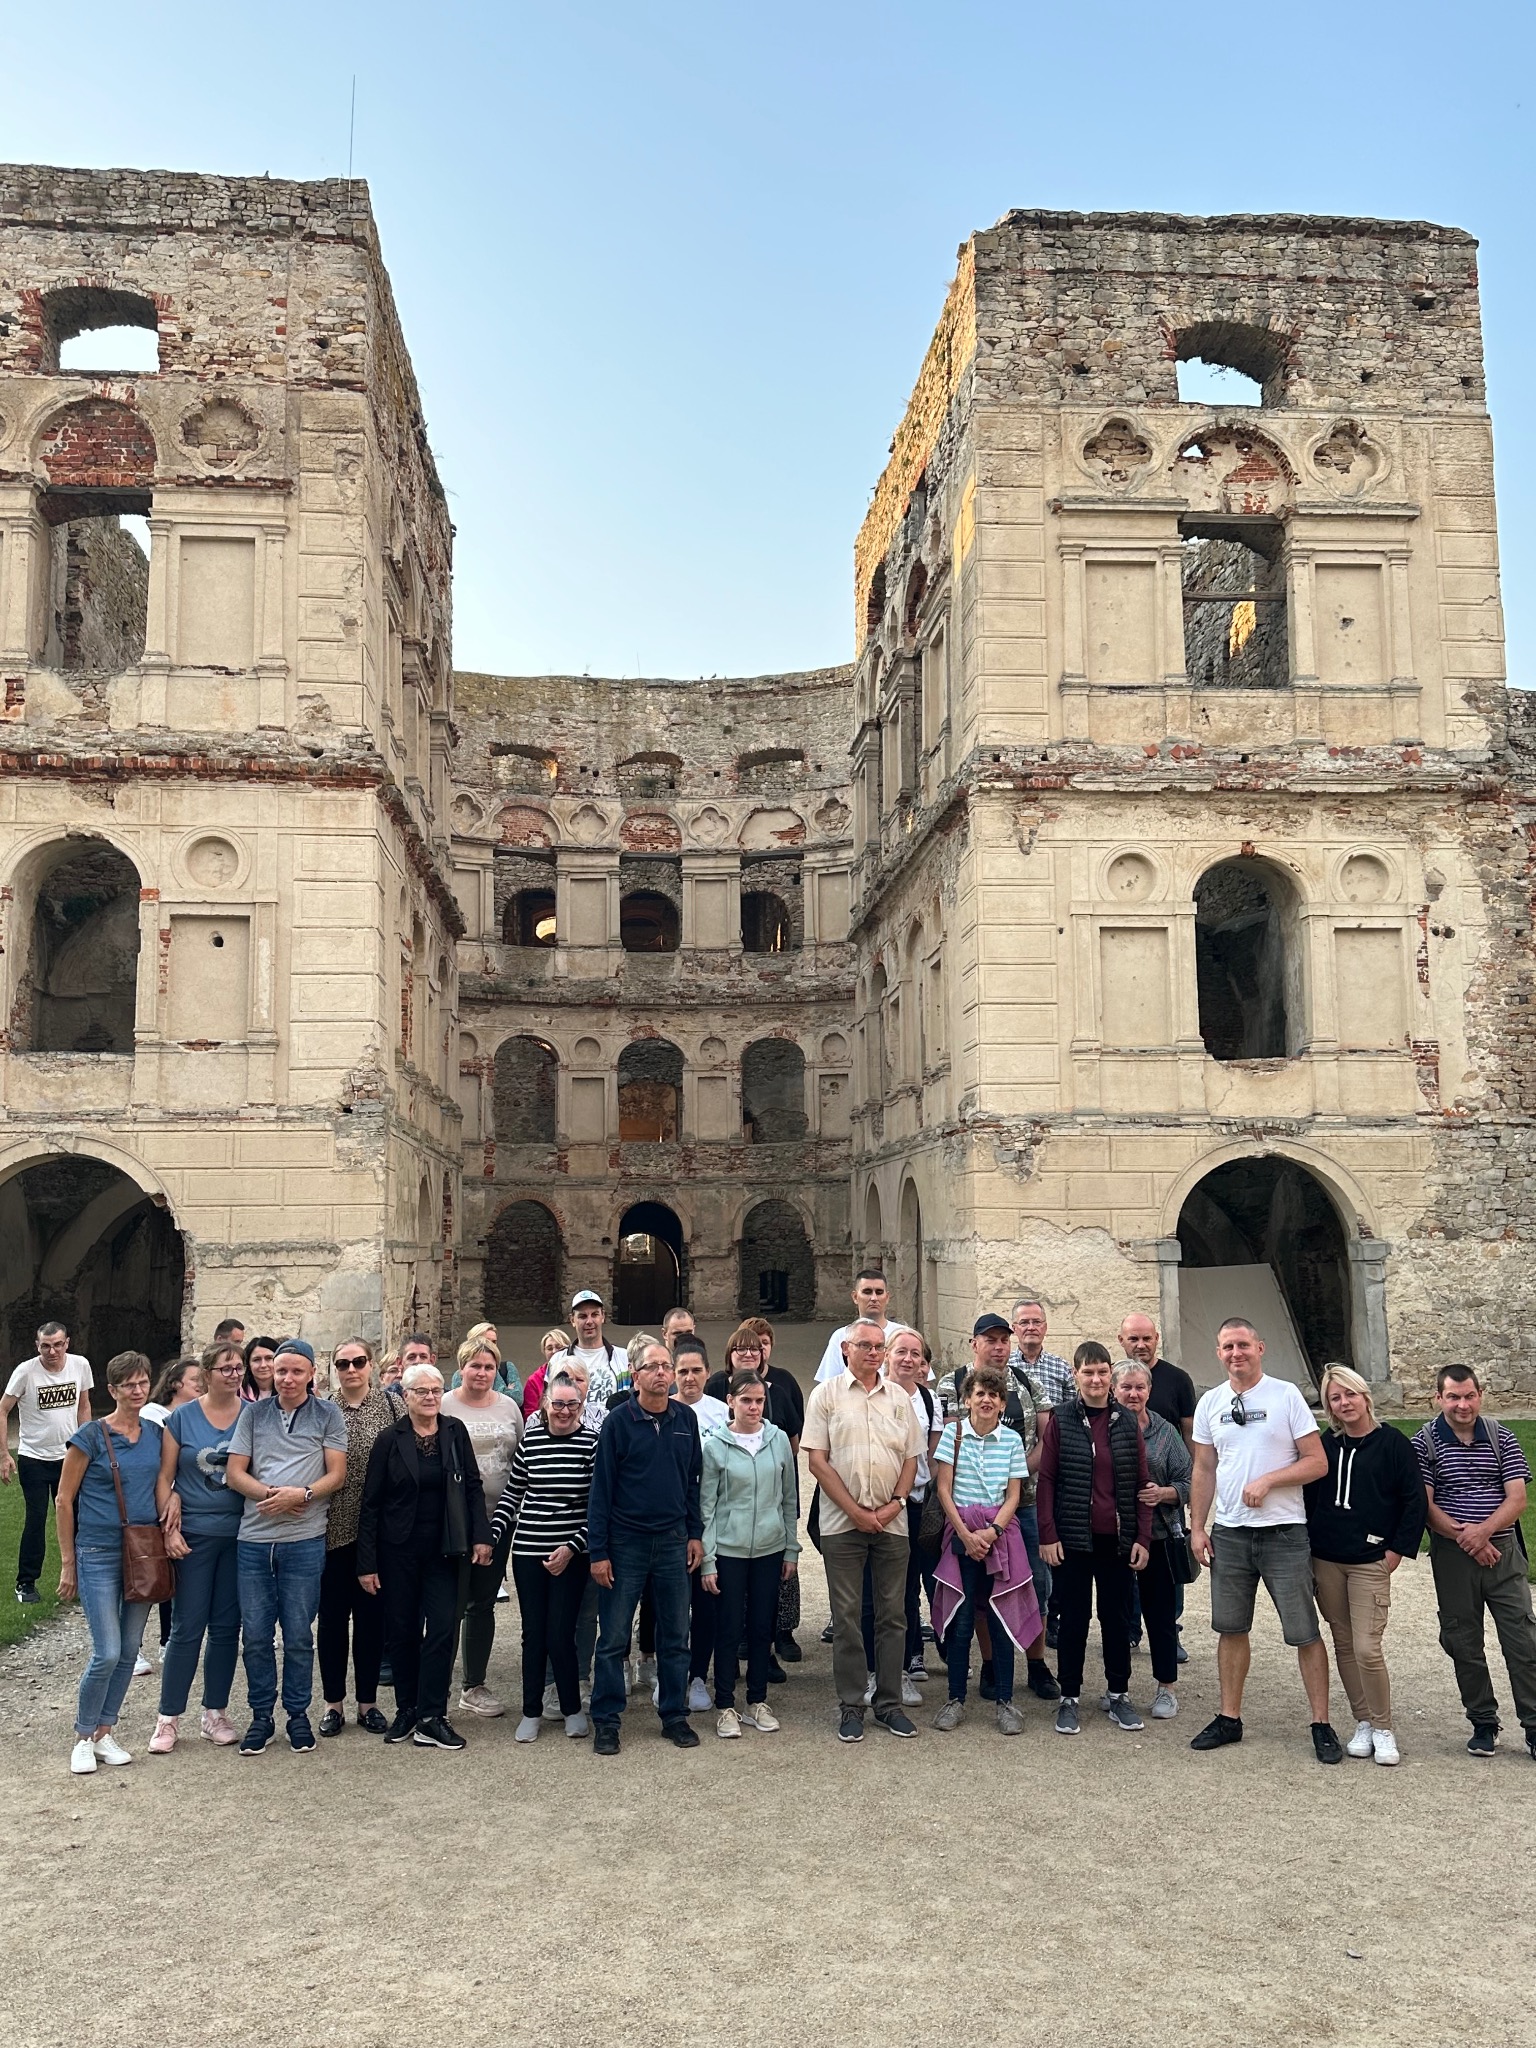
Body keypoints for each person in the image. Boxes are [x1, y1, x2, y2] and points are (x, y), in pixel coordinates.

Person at [1187, 1318, 1339, 1762]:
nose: (1236, 1353)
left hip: (1283, 1532)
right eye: (1228, 1347)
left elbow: (1317, 1462)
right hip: (1231, 1534)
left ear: (1260, 1347)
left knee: (1304, 1631)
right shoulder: (1210, 1402)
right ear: (1219, 1353)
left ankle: (1321, 1723)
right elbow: (1204, 1468)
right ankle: (1229, 1718)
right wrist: (1198, 1527)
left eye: (1243, 1345)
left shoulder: (1285, 1395)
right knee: (1231, 1628)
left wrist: (1270, 1480)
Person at [357, 1363, 492, 1751]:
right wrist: (366, 1563)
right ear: (406, 1396)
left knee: (443, 1629)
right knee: (402, 1631)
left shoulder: (454, 1432)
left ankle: (432, 1715)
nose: (430, 1397)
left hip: (446, 1550)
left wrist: (481, 1536)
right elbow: (371, 1503)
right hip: (398, 1551)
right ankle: (408, 1708)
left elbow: (472, 1486)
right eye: (422, 1391)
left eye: (435, 1390)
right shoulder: (389, 1439)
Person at [224, 1338, 348, 1756]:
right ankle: (261, 1716)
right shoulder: (253, 1414)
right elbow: (235, 1473)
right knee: (257, 1636)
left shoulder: (327, 1414)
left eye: (296, 1371)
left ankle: (297, 1715)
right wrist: (272, 1496)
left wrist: (303, 1494)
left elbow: (337, 1474)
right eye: (281, 1371)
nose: (287, 1378)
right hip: (255, 1540)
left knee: (297, 1635)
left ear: (312, 1373)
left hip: (304, 1540)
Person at [802, 1318, 923, 1742]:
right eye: (864, 1345)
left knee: (893, 1615)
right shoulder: (826, 1395)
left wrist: (895, 1504)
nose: (873, 1352)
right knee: (848, 1617)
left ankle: (888, 1704)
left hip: (893, 1523)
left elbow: (911, 1458)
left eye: (878, 1347)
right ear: (845, 1349)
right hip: (842, 1523)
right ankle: (852, 1705)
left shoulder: (899, 1398)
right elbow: (817, 1461)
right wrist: (855, 1511)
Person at [1304, 1364, 1426, 1767]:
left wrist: (1396, 1552)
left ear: (1364, 1396)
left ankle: (1384, 1726)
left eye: (1350, 1394)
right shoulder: (1326, 1445)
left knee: (1367, 1648)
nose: (1344, 1403)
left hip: (1369, 1560)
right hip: (1327, 1558)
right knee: (1342, 1641)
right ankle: (1363, 1721)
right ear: (1329, 1406)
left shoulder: (1392, 1443)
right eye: (1335, 1398)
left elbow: (1414, 1501)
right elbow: (1309, 1497)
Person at [587, 1336, 704, 1755]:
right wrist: (599, 1552)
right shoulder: (618, 1423)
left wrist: (694, 1533)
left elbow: (693, 1481)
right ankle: (606, 1720)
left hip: (673, 1541)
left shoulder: (685, 1419)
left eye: (666, 1366)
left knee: (675, 1634)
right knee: (614, 1637)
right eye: (652, 1367)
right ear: (635, 1376)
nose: (661, 1373)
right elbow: (601, 1489)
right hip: (626, 1542)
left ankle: (673, 1715)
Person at [1414, 1362, 1536, 1758]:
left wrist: (1483, 1533)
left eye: (1469, 1396)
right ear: (1438, 1398)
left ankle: (1534, 1725)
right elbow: (1425, 1506)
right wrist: (1469, 1539)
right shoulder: (1424, 1442)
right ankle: (1483, 1721)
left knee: (1523, 1640)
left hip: (1503, 1553)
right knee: (1463, 1641)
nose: (1462, 1405)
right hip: (1453, 1557)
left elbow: (1517, 1499)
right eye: (1453, 1397)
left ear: (1480, 1395)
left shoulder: (1502, 1436)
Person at [54, 1351, 162, 1774]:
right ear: (112, 1390)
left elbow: (165, 1484)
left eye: (142, 1382)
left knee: (131, 1648)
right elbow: (64, 1500)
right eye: (128, 1385)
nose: (137, 1391)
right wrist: (68, 1562)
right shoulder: (91, 1436)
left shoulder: (155, 1434)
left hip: (143, 1551)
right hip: (98, 1551)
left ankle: (104, 1731)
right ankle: (83, 1736)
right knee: (108, 1651)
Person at [1037, 1342, 1149, 1736]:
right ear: (1076, 1376)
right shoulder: (1062, 1420)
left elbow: (1141, 1482)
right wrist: (1047, 1533)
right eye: (1088, 1372)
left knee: (1116, 1619)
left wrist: (1142, 1536)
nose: (1096, 1379)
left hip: (1116, 1540)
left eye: (1102, 1372)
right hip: (1072, 1539)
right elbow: (1047, 1480)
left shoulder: (1126, 1421)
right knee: (1074, 1620)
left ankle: (1118, 1693)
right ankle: (1069, 1696)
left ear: (1110, 1376)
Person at [150, 1341, 247, 1752]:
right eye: (226, 1368)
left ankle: (214, 1713)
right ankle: (168, 1718)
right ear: (207, 1374)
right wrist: (169, 1529)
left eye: (238, 1367)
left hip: (240, 1535)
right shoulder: (182, 1418)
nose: (234, 1374)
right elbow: (163, 1476)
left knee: (226, 1628)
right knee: (187, 1626)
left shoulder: (252, 1414)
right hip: (194, 1535)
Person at [929, 1362, 1035, 1735]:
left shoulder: (1011, 1441)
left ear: (1002, 1403)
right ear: (968, 1400)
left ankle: (1005, 1701)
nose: (986, 1400)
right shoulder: (953, 1434)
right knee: (961, 1621)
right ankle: (955, 1698)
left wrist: (991, 1533)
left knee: (999, 1618)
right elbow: (944, 1489)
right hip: (961, 1534)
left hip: (998, 1536)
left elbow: (1013, 1495)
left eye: (993, 1395)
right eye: (979, 1394)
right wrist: (965, 1534)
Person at [491, 1375, 599, 1741]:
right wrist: (493, 1534)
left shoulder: (591, 1444)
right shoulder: (532, 1441)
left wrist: (572, 1547)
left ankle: (571, 1708)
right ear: (545, 1405)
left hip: (571, 1553)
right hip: (529, 1552)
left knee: (561, 1633)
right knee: (533, 1634)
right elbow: (513, 1493)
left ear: (580, 1407)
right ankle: (531, 1711)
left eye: (572, 1404)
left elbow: (597, 1508)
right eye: (558, 1404)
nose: (564, 1411)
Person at [701, 1371, 799, 1738]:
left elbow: (788, 1499)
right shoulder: (714, 1446)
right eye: (745, 1400)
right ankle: (725, 1704)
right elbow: (707, 1508)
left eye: (758, 1401)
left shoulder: (778, 1440)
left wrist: (791, 1548)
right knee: (728, 1628)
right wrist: (708, 1559)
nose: (753, 1407)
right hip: (729, 1549)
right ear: (730, 1402)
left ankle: (757, 1700)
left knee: (762, 1627)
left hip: (770, 1548)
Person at [314, 1340, 400, 1739]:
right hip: (330, 1528)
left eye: (358, 1362)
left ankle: (368, 1702)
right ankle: (333, 1704)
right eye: (343, 1363)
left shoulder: (392, 1406)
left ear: (371, 1365)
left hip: (378, 1532)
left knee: (371, 1620)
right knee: (332, 1620)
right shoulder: (321, 1409)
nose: (351, 1369)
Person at [444, 1333, 524, 1718]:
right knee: (450, 1603)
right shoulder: (445, 1405)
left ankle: (473, 1684)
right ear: (461, 1369)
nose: (482, 1372)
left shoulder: (508, 1407)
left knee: (483, 1601)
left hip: (499, 1520)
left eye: (489, 1366)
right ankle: (437, 1682)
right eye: (475, 1365)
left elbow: (520, 1458)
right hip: (454, 1523)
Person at [1110, 1359, 1191, 1720]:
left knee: (1160, 1615)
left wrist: (1165, 1493)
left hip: (1158, 1537)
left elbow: (1188, 1480)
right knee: (1116, 1615)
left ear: (1149, 1391)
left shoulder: (1165, 1433)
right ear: (1113, 1390)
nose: (1133, 1394)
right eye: (1126, 1387)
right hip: (1114, 1538)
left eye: (1139, 1387)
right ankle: (1118, 1689)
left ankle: (1166, 1688)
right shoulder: (1103, 1429)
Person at [2, 1320, 96, 1604]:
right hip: (34, 1457)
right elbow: (3, 1409)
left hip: (69, 1457)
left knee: (77, 1516)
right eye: (45, 1346)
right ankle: (26, 1583)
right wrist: (4, 1454)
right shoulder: (26, 1371)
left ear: (67, 1343)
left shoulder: (80, 1365)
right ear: (37, 1346)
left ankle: (81, 1578)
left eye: (57, 1345)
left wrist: (87, 1445)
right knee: (36, 1518)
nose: (52, 1351)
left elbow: (84, 1406)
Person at [137, 1355, 205, 1676]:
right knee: (145, 1575)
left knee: (171, 1577)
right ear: (176, 1383)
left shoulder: (195, 1416)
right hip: (154, 1505)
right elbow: (154, 1466)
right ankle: (133, 1647)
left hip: (183, 1506)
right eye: (195, 1380)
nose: (202, 1384)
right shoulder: (153, 1417)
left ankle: (167, 1641)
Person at [884, 1329, 941, 1681]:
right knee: (902, 1586)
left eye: (915, 1354)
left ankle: (944, 1647)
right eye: (901, 1351)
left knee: (933, 1577)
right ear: (888, 1355)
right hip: (889, 1504)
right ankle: (910, 1655)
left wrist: (920, 1485)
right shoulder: (878, 1394)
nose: (908, 1359)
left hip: (921, 1501)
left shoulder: (930, 1400)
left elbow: (933, 1457)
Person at [812, 1271, 910, 1383]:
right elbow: (828, 1383)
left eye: (879, 1292)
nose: (874, 1298)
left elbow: (920, 1378)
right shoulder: (841, 1336)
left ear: (887, 1297)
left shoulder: (904, 1335)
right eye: (867, 1292)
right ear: (855, 1297)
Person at [1118, 1313, 1195, 1446]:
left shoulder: (1179, 1379)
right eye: (1134, 1339)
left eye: (1147, 1338)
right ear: (1121, 1340)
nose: (1141, 1345)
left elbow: (1190, 1434)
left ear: (1157, 1338)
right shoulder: (1110, 1379)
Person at [540, 1292, 625, 1412]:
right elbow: (548, 1402)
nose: (589, 1321)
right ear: (572, 1320)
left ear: (603, 1316)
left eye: (594, 1314)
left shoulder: (623, 1357)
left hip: (613, 1424)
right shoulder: (558, 1360)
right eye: (582, 1316)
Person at [1009, 1297, 1073, 1409]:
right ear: (1014, 1329)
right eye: (1024, 1323)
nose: (1031, 1327)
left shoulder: (1062, 1368)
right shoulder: (1004, 1367)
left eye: (1037, 1322)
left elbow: (1072, 1412)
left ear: (1045, 1327)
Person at [449, 1321, 521, 1403]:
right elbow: (461, 1401)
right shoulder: (459, 1374)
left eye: (494, 1342)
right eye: (486, 1341)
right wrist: (504, 1390)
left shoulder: (508, 1367)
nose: (491, 1346)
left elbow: (517, 1398)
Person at [673, 1346, 729, 1436]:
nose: (690, 1378)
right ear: (673, 1375)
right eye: (683, 1372)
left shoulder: (722, 1410)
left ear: (708, 1372)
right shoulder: (662, 1409)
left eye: (696, 1371)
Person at [241, 1335, 278, 1402]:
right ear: (248, 1364)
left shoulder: (288, 1392)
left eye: (269, 1358)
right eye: (257, 1359)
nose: (263, 1365)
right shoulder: (237, 1393)